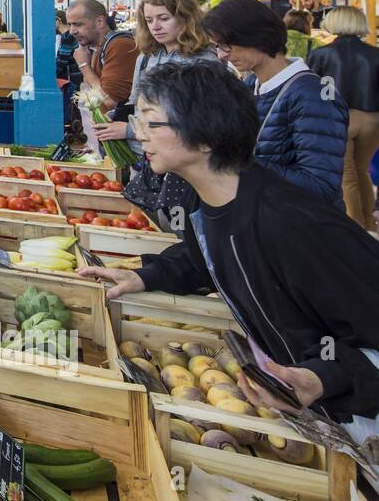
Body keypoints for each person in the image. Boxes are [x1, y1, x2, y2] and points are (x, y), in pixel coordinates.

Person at [78, 61, 379, 442]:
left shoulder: (293, 225)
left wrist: (325, 376)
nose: (139, 135)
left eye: (151, 123)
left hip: (360, 422)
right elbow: (206, 257)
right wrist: (145, 275)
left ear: (206, 137)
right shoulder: (212, 203)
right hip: (309, 410)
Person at [203, 0, 347, 208]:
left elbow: (321, 187)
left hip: (303, 224)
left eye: (226, 45)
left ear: (256, 36)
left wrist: (237, 160)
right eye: (217, 46)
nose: (221, 55)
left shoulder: (313, 96)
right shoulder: (251, 85)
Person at [91, 0, 218, 147]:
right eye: (149, 20)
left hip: (179, 154)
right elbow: (136, 104)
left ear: (186, 17)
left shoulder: (203, 62)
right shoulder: (146, 57)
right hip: (144, 154)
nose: (155, 27)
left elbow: (200, 121)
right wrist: (112, 116)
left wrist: (129, 130)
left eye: (164, 18)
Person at [308, 6, 379, 230]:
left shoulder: (320, 54)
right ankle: (370, 223)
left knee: (346, 175)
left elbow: (317, 91)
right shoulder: (375, 54)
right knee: (362, 170)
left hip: (338, 118)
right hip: (372, 119)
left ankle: (356, 227)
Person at [66, 0, 138, 111]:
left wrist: (84, 65)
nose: (72, 31)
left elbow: (109, 100)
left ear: (99, 22)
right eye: (70, 25)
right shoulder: (97, 46)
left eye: (78, 24)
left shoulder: (120, 45)